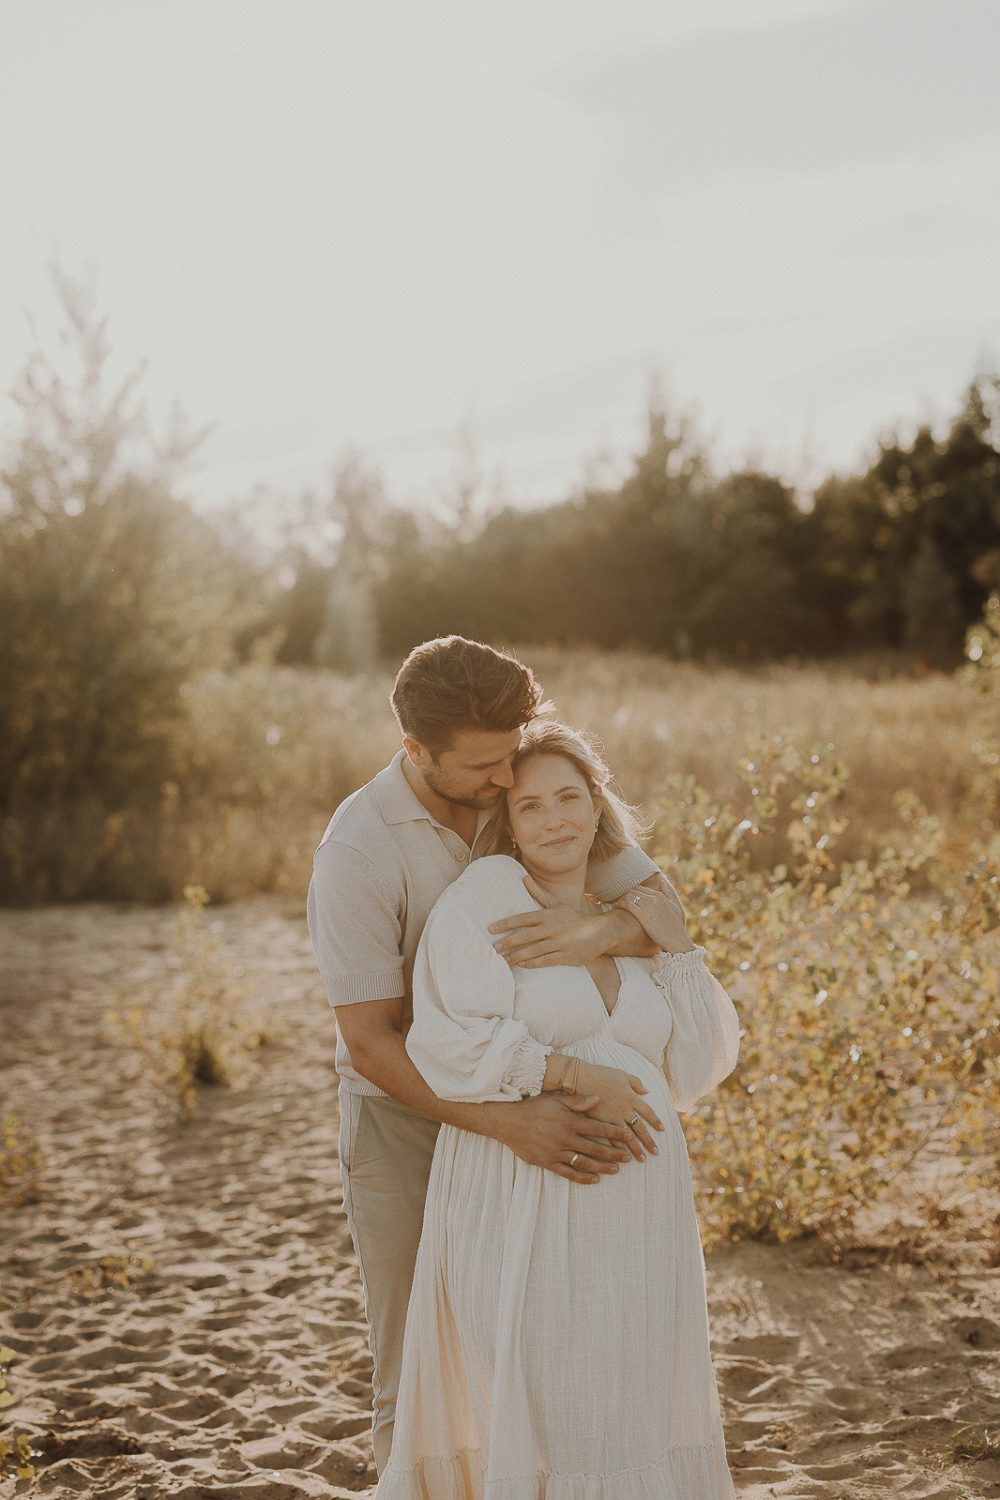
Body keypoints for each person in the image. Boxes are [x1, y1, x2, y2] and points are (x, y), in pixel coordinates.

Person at [307, 636, 686, 1475]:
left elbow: (659, 902)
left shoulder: (529, 781)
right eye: (484, 768)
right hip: (407, 1114)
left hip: (537, 1092)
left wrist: (601, 928)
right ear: (414, 751)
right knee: (422, 1355)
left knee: (543, 1341)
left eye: (511, 755)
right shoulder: (358, 852)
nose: (507, 782)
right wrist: (510, 1121)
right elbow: (370, 1042)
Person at [375, 719, 740, 1498]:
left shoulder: (630, 912)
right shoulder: (484, 903)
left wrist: (673, 946)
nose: (555, 820)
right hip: (528, 1192)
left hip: (643, 1216)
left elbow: (697, 1065)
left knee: (629, 1397)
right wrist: (574, 1071)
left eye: (570, 799)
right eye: (532, 806)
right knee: (546, 1403)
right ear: (507, 822)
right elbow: (448, 1042)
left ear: (599, 806)